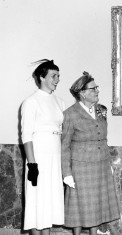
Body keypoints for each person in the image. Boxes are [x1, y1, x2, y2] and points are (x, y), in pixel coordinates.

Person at [61, 72, 120, 235]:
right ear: (82, 93)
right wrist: (66, 173)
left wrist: (109, 163)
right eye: (93, 88)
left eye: (97, 88)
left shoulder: (102, 110)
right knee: (79, 207)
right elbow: (64, 145)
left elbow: (103, 139)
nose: (97, 91)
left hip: (101, 165)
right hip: (81, 168)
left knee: (95, 205)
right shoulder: (70, 114)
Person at [21, 59, 65, 235]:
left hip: (55, 159)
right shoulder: (31, 102)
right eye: (53, 76)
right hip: (38, 159)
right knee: (36, 204)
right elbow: (26, 136)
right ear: (41, 77)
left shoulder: (59, 102)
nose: (57, 79)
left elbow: (61, 133)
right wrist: (32, 165)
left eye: (58, 76)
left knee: (48, 205)